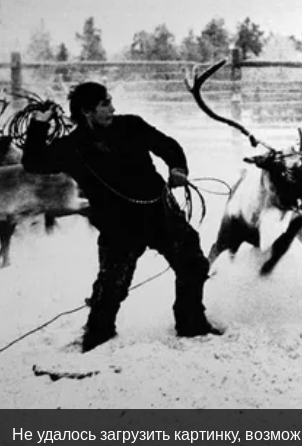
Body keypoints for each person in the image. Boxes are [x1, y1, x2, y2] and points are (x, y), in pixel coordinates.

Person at [22, 82, 223, 352]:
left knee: (192, 263)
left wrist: (177, 168)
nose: (112, 108)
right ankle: (98, 335)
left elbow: (167, 145)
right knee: (112, 285)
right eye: (105, 104)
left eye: (110, 102)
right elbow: (33, 163)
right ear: (87, 111)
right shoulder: (71, 147)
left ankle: (191, 323)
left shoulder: (131, 126)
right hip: (118, 225)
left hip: (159, 212)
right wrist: (38, 125)